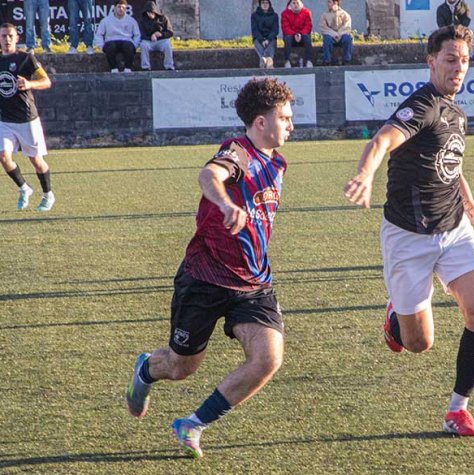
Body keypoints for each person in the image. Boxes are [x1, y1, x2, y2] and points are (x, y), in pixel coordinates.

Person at [343, 25, 474, 438]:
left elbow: (452, 170)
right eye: (450, 59)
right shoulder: (423, 105)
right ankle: (396, 317)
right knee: (418, 343)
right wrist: (365, 174)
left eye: (464, 60)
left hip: (454, 229)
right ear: (431, 61)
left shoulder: (457, 114)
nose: (459, 68)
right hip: (408, 237)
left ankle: (458, 410)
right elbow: (382, 140)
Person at [125, 77, 294, 459]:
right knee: (180, 367)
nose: (291, 125)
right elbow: (209, 175)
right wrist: (225, 203)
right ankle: (146, 370)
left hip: (253, 284)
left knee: (268, 359)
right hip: (205, 278)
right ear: (261, 122)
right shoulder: (238, 153)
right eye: (284, 118)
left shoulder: (278, 163)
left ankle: (193, 424)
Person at [0, 24, 54, 211]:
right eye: (3, 36)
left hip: (27, 118)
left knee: (36, 161)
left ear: (17, 38)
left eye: (10, 36)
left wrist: (30, 84)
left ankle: (48, 194)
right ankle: (24, 188)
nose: (7, 39)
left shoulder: (26, 58)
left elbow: (46, 81)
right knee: (4, 157)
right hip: (5, 120)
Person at [94, 0, 141, 73]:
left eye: (123, 7)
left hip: (126, 41)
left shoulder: (131, 21)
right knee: (110, 46)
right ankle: (113, 68)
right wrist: (101, 46)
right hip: (111, 41)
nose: (121, 9)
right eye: (119, 7)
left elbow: (137, 35)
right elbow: (99, 34)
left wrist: (135, 45)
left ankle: (128, 68)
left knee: (129, 46)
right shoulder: (106, 20)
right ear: (114, 8)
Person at [139, 1, 175, 71]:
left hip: (161, 41)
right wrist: (150, 37)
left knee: (167, 43)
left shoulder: (163, 18)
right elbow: (142, 34)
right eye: (148, 12)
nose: (150, 14)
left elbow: (170, 32)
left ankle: (169, 66)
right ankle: (145, 67)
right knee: (143, 45)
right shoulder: (142, 20)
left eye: (152, 12)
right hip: (149, 42)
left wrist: (161, 34)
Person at [281, 0, 314, 68]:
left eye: (297, 3)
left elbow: (308, 26)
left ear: (301, 4)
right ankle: (287, 61)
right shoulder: (285, 14)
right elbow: (285, 28)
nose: (296, 5)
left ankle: (309, 61)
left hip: (302, 35)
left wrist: (300, 34)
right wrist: (294, 34)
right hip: (291, 35)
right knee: (287, 39)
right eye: (293, 3)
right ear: (290, 5)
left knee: (307, 38)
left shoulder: (306, 13)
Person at [319, 0, 353, 66]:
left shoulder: (345, 14)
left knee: (347, 39)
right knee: (327, 40)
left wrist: (339, 34)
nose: (328, 4)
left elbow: (347, 27)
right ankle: (327, 61)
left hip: (341, 35)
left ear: (335, 2)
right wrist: (333, 33)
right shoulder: (324, 15)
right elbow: (323, 27)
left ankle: (347, 60)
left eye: (329, 2)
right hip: (330, 35)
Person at [251, 0, 279, 69]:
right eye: (263, 3)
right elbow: (254, 31)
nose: (265, 4)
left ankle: (263, 60)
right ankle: (269, 62)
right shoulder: (254, 16)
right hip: (259, 38)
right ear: (260, 4)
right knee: (257, 42)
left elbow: (275, 30)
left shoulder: (274, 15)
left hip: (270, 38)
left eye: (267, 3)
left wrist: (268, 39)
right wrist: (261, 40)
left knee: (272, 43)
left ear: (269, 4)